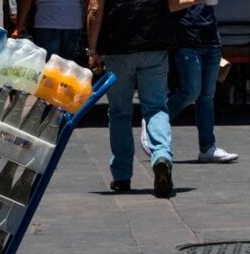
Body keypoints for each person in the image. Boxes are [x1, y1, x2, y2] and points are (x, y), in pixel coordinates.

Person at [87, 0, 203, 198]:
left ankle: (122, 175)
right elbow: (171, 4)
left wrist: (92, 49)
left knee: (119, 113)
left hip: (118, 47)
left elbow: (95, 9)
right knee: (156, 108)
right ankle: (161, 156)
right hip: (154, 44)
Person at [140, 3, 238, 163]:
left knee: (207, 96)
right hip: (187, 39)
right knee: (190, 92)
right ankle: (153, 120)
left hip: (211, 38)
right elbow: (168, 6)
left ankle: (207, 147)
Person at [14, 0, 84, 60]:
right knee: (67, 67)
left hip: (47, 23)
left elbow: (26, 2)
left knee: (48, 64)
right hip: (72, 23)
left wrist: (19, 28)